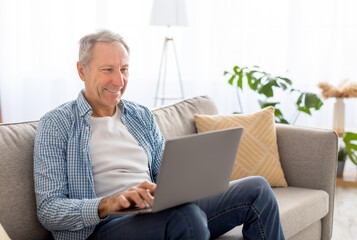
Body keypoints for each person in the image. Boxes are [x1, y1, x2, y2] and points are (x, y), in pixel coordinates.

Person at [34, 29, 285, 240]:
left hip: (157, 212)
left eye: (124, 69)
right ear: (82, 71)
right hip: (105, 227)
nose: (119, 80)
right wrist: (109, 203)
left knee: (258, 189)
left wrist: (185, 183)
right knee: (186, 216)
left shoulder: (141, 116)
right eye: (107, 70)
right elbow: (49, 210)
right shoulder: (56, 125)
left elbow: (166, 175)